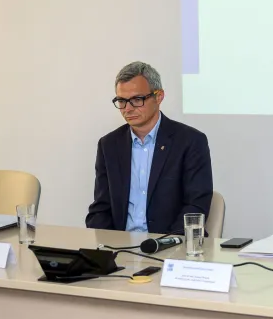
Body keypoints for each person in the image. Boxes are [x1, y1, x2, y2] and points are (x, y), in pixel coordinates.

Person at [86, 61, 213, 234]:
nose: (128, 109)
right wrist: (110, 247)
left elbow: (196, 206)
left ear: (158, 96)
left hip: (170, 248)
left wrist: (164, 245)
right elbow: (100, 209)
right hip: (120, 249)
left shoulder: (190, 141)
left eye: (137, 100)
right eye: (122, 101)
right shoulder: (108, 145)